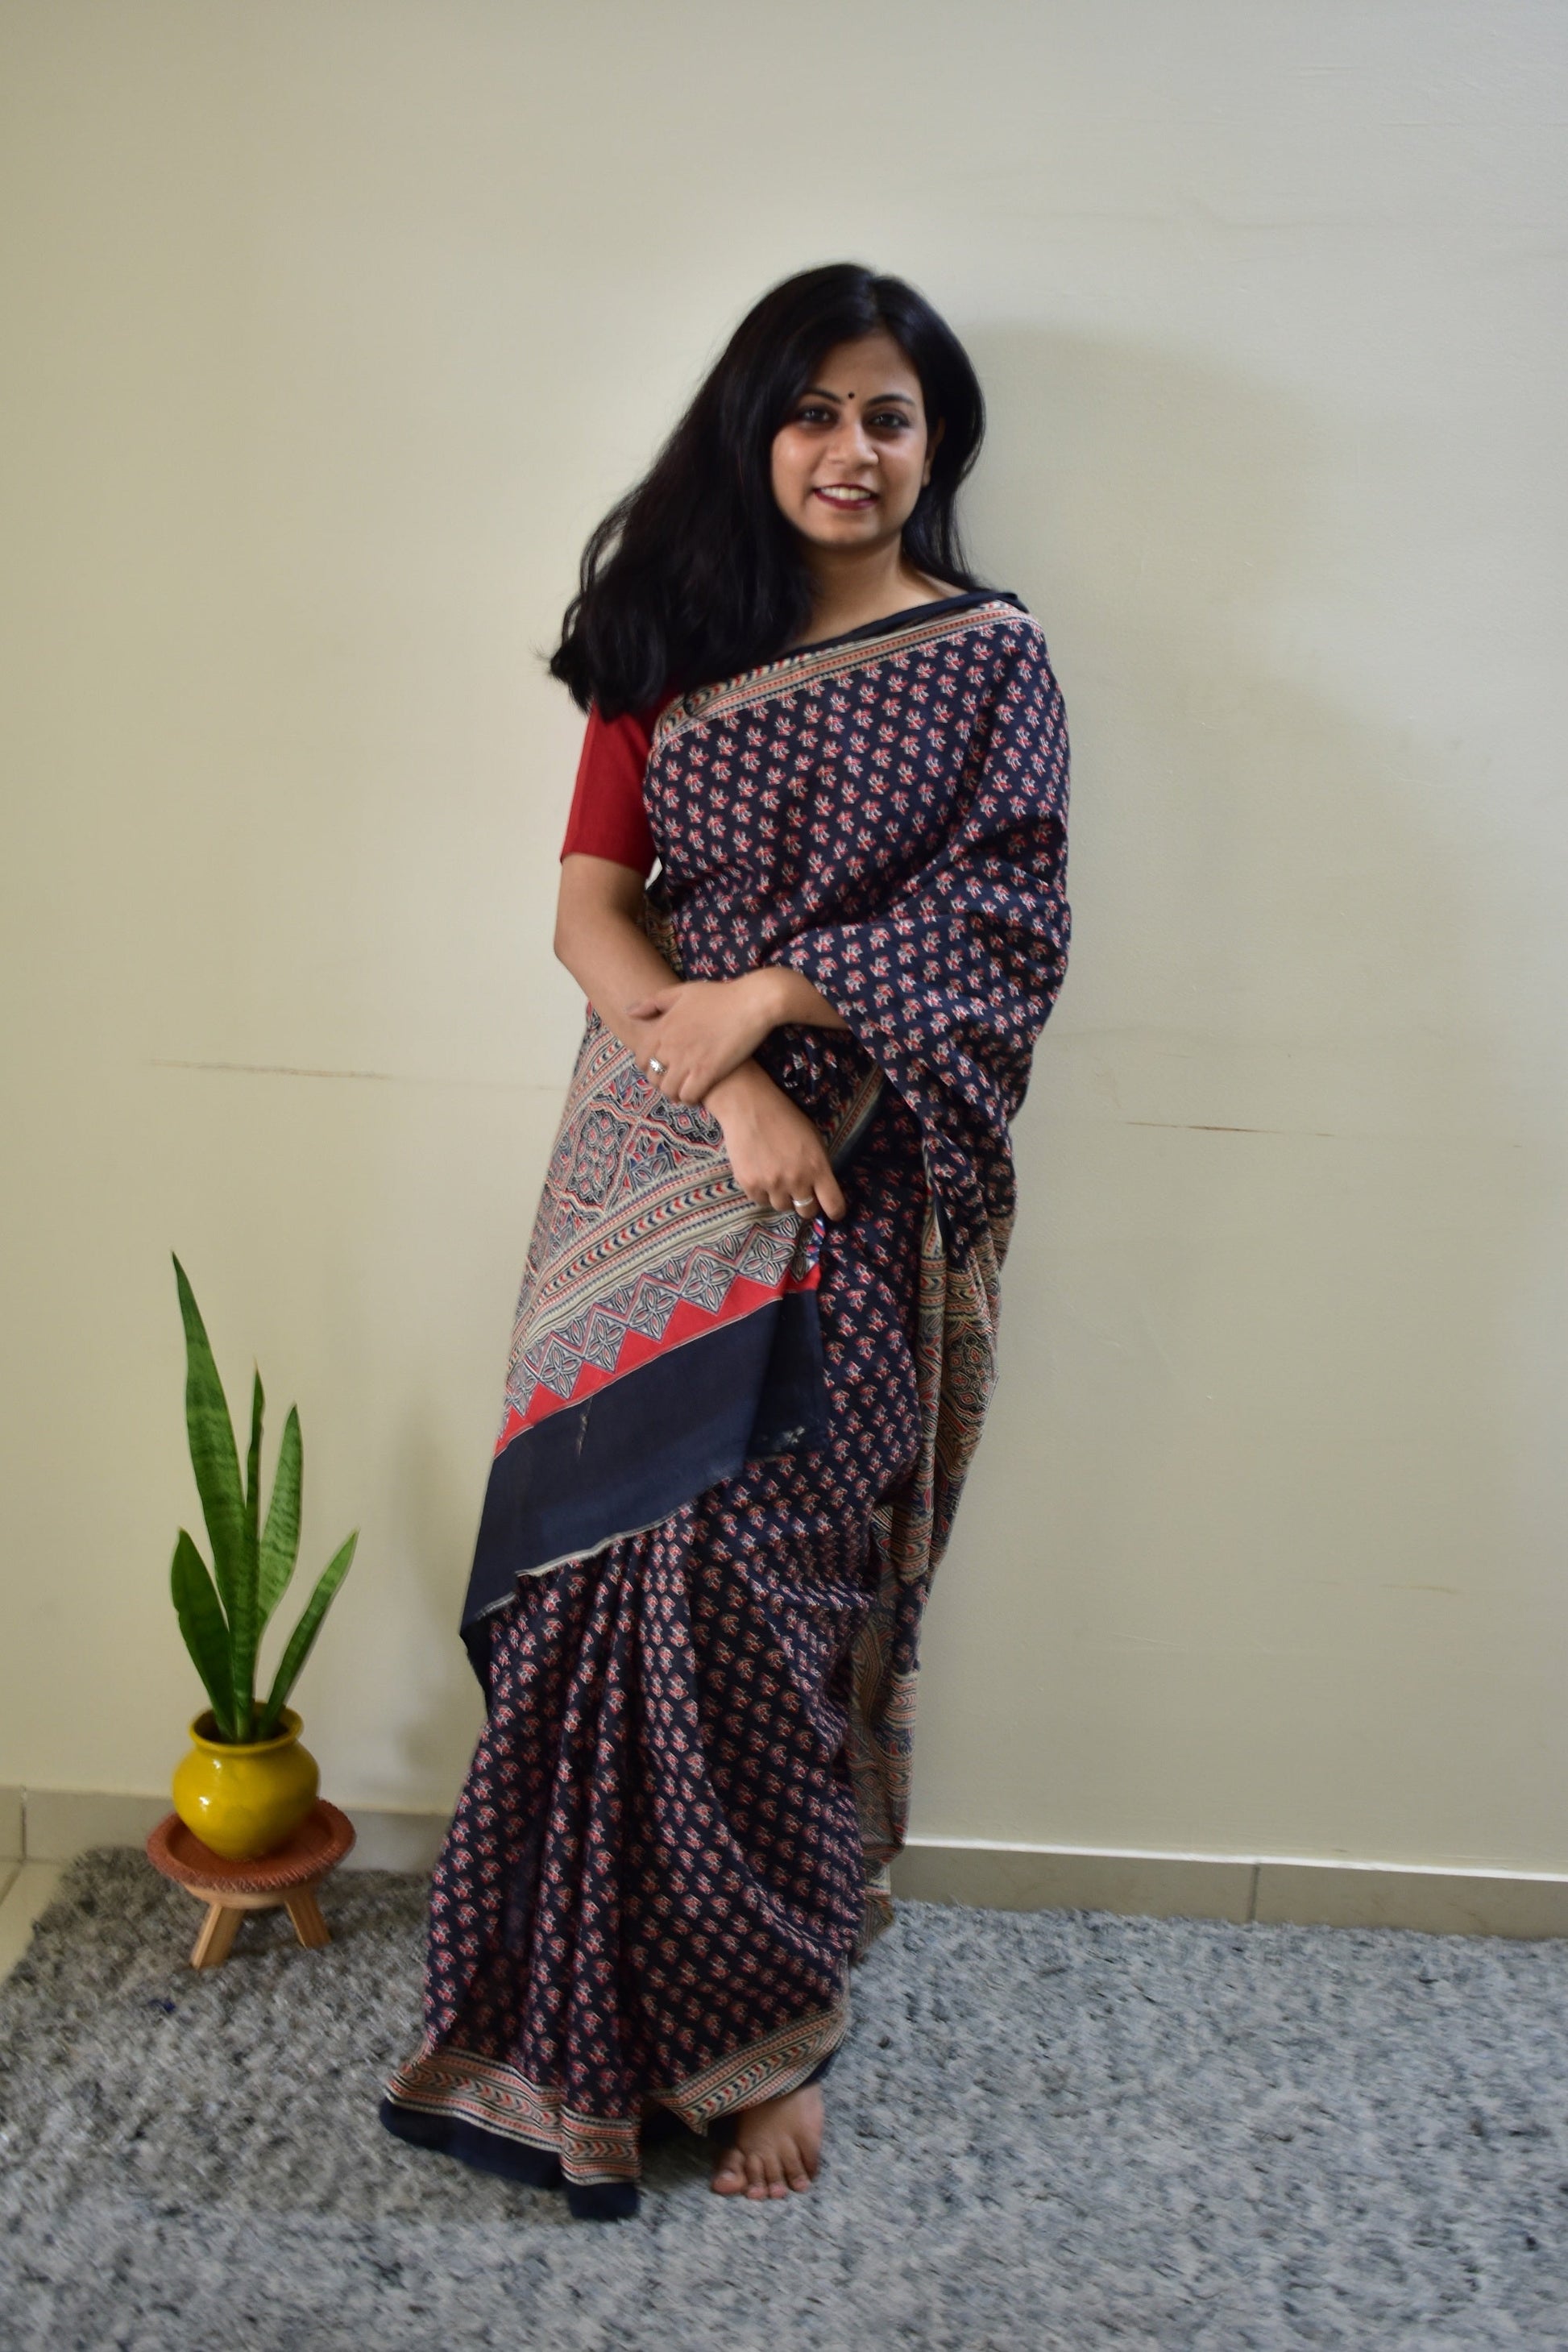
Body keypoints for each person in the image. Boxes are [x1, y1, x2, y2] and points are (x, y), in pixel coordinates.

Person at [379, 262, 1071, 2220]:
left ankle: (766, 2026)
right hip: (655, 1138)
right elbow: (591, 908)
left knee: (763, 1575)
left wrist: (774, 998)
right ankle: (561, 2004)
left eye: (888, 417)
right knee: (601, 1568)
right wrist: (728, 1077)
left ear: (934, 446)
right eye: (813, 410)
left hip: (864, 1154)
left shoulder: (989, 661)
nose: (849, 450)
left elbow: (1008, 922)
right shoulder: (667, 629)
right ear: (753, 425)